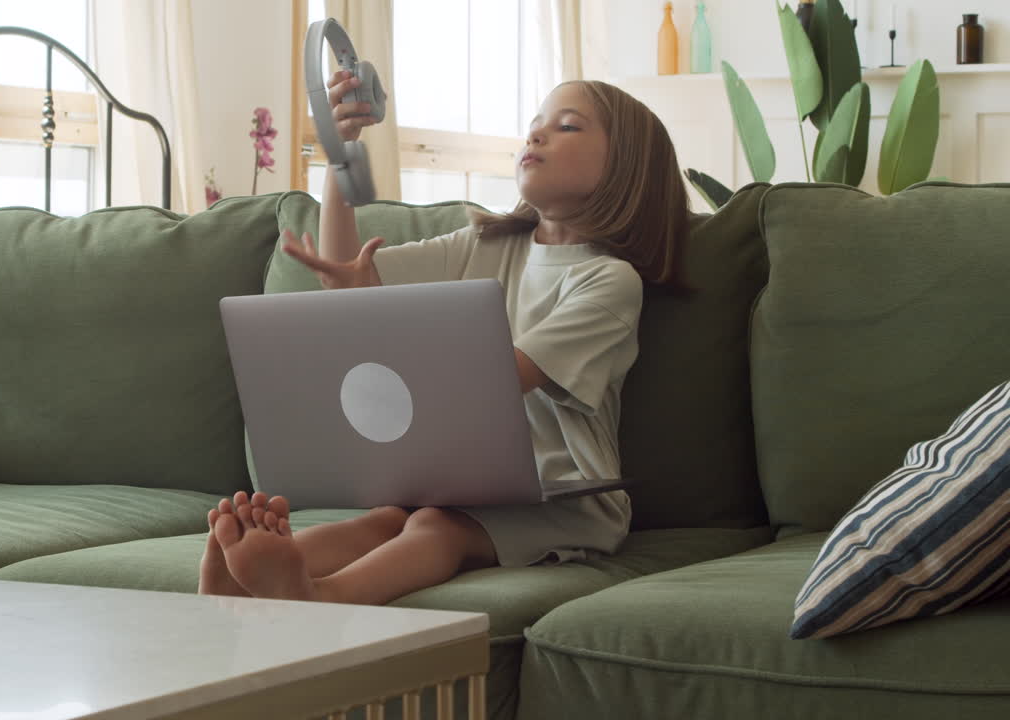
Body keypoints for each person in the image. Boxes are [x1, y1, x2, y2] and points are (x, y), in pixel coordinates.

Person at [198, 69, 690, 605]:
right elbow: (349, 271)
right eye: (534, 125)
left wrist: (373, 321)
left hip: (566, 497)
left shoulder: (608, 281)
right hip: (459, 478)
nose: (536, 135)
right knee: (385, 519)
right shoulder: (482, 242)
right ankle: (241, 577)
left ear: (626, 168)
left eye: (567, 126)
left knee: (435, 526)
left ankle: (320, 597)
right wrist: (340, 158)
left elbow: (500, 379)